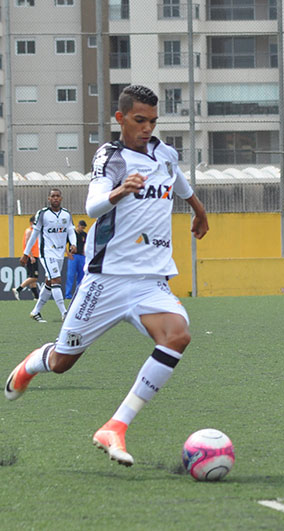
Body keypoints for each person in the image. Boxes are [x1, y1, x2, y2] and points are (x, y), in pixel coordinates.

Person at [4, 84, 209, 466]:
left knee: (178, 335)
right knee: (63, 362)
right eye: (139, 120)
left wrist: (198, 209)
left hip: (151, 280)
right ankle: (32, 363)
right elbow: (93, 205)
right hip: (107, 280)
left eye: (152, 121)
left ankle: (116, 425)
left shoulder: (164, 153)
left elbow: (178, 181)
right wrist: (119, 192)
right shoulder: (111, 158)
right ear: (121, 118)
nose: (147, 127)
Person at [21, 189, 76, 322]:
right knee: (56, 280)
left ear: (61, 198)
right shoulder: (42, 214)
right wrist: (25, 254)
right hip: (47, 253)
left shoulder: (66, 214)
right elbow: (34, 235)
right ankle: (65, 313)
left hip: (60, 253)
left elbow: (70, 230)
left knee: (49, 282)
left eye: (57, 196)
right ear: (49, 199)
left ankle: (35, 312)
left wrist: (73, 244)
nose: (55, 198)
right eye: (53, 196)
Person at [11, 216, 41, 301]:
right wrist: (31, 256)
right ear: (31, 223)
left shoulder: (34, 232)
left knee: (32, 278)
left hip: (34, 255)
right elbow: (27, 243)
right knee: (34, 277)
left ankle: (36, 297)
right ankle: (18, 289)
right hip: (31, 256)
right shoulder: (29, 231)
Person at [64, 220, 88, 299]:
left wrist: (85, 253)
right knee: (70, 275)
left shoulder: (84, 235)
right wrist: (68, 253)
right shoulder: (72, 234)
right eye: (82, 227)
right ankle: (68, 294)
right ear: (78, 225)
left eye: (84, 228)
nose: (82, 229)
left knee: (81, 275)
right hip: (73, 256)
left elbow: (86, 244)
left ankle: (79, 293)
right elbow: (64, 243)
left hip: (81, 256)